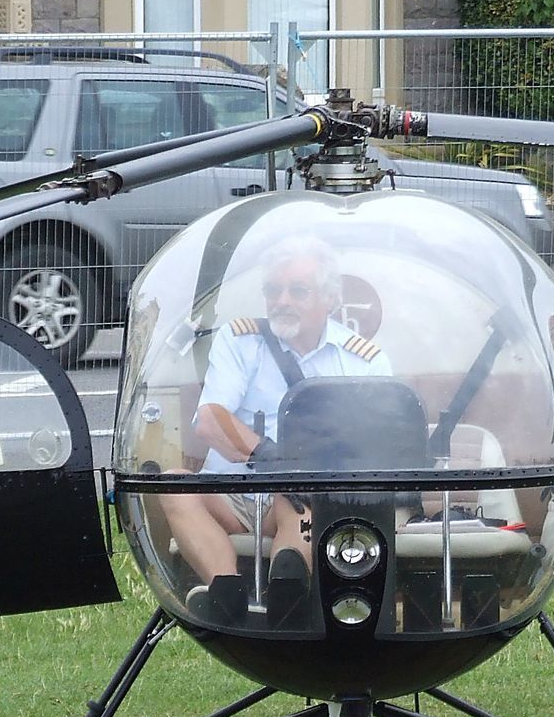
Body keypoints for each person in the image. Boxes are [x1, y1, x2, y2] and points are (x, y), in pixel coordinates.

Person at [162, 235, 392, 615]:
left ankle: (288, 591)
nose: (282, 301)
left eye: (297, 291)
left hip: (301, 498)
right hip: (230, 495)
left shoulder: (363, 362)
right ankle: (226, 593)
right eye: (274, 290)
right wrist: (265, 453)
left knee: (299, 502)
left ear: (330, 299)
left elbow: (377, 445)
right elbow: (210, 418)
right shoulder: (239, 342)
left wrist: (302, 473)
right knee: (173, 484)